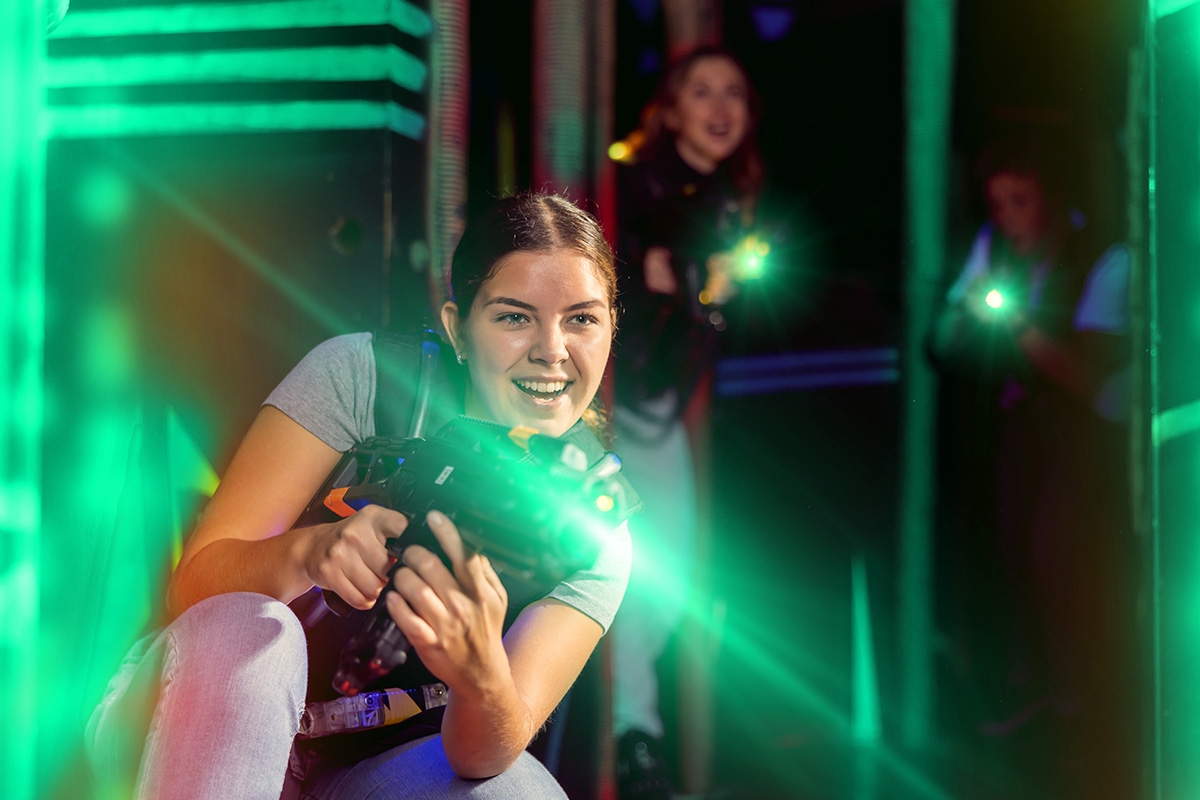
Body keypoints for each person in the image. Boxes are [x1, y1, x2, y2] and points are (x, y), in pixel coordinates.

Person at [85, 191, 639, 799]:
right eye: (514, 317)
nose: (552, 350)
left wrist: (481, 673)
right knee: (254, 633)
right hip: (192, 716)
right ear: (458, 328)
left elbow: (482, 753)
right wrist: (310, 553)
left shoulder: (594, 527)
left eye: (582, 319)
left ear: (611, 328)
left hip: (370, 764)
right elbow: (194, 585)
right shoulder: (362, 377)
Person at [928, 137, 1133, 797]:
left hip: (1089, 436)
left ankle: (1086, 707)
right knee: (1017, 554)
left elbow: (1083, 375)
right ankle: (1041, 696)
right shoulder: (994, 249)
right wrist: (972, 307)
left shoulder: (1103, 256)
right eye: (997, 205)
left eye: (1020, 201)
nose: (1008, 217)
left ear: (1051, 197)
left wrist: (1014, 323)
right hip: (1020, 428)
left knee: (1058, 562)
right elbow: (943, 339)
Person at [608, 45, 764, 800]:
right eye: (701, 92)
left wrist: (705, 290)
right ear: (669, 111)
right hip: (617, 401)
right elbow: (621, 269)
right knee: (638, 569)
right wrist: (677, 277)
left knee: (668, 575)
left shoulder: (726, 195)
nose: (720, 107)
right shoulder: (643, 184)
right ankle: (632, 735)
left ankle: (630, 727)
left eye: (733, 91)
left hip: (655, 404)